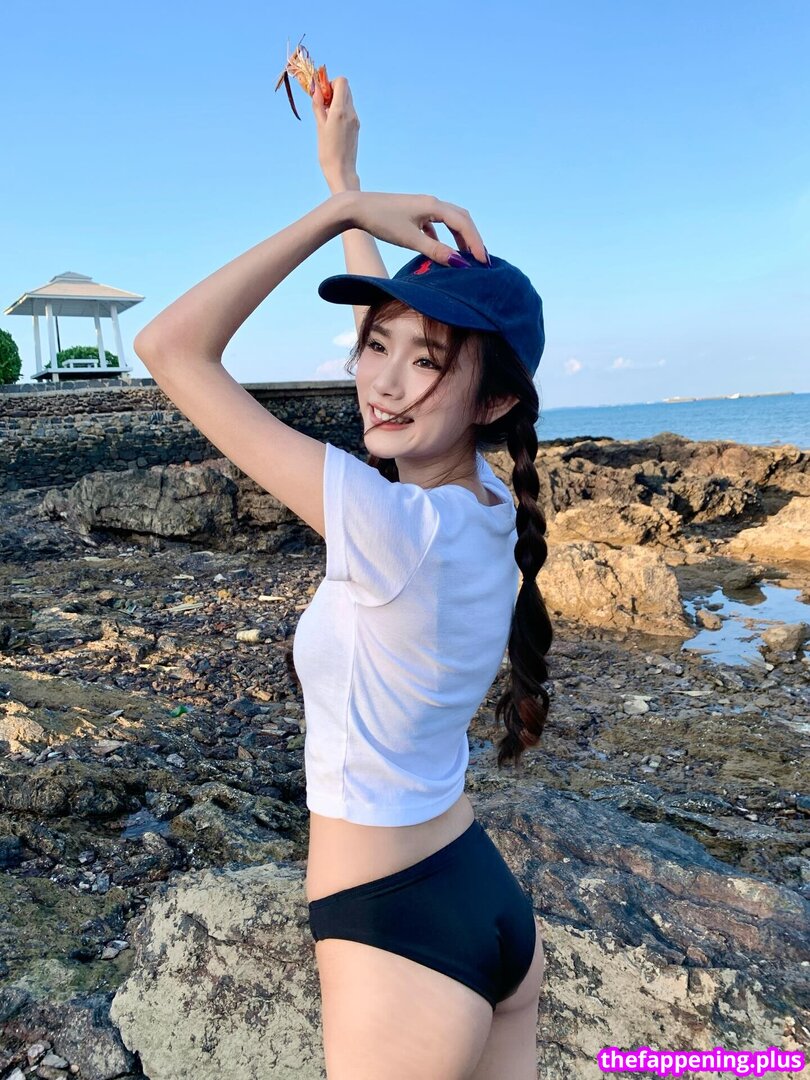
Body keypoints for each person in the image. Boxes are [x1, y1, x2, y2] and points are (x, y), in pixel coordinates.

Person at [133, 73, 553, 1080]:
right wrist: (344, 177)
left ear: (493, 400)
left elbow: (169, 347)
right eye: (375, 346)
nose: (385, 381)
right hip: (482, 897)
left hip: (398, 940)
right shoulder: (488, 505)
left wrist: (339, 212)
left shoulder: (387, 524)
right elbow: (411, 393)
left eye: (428, 361)